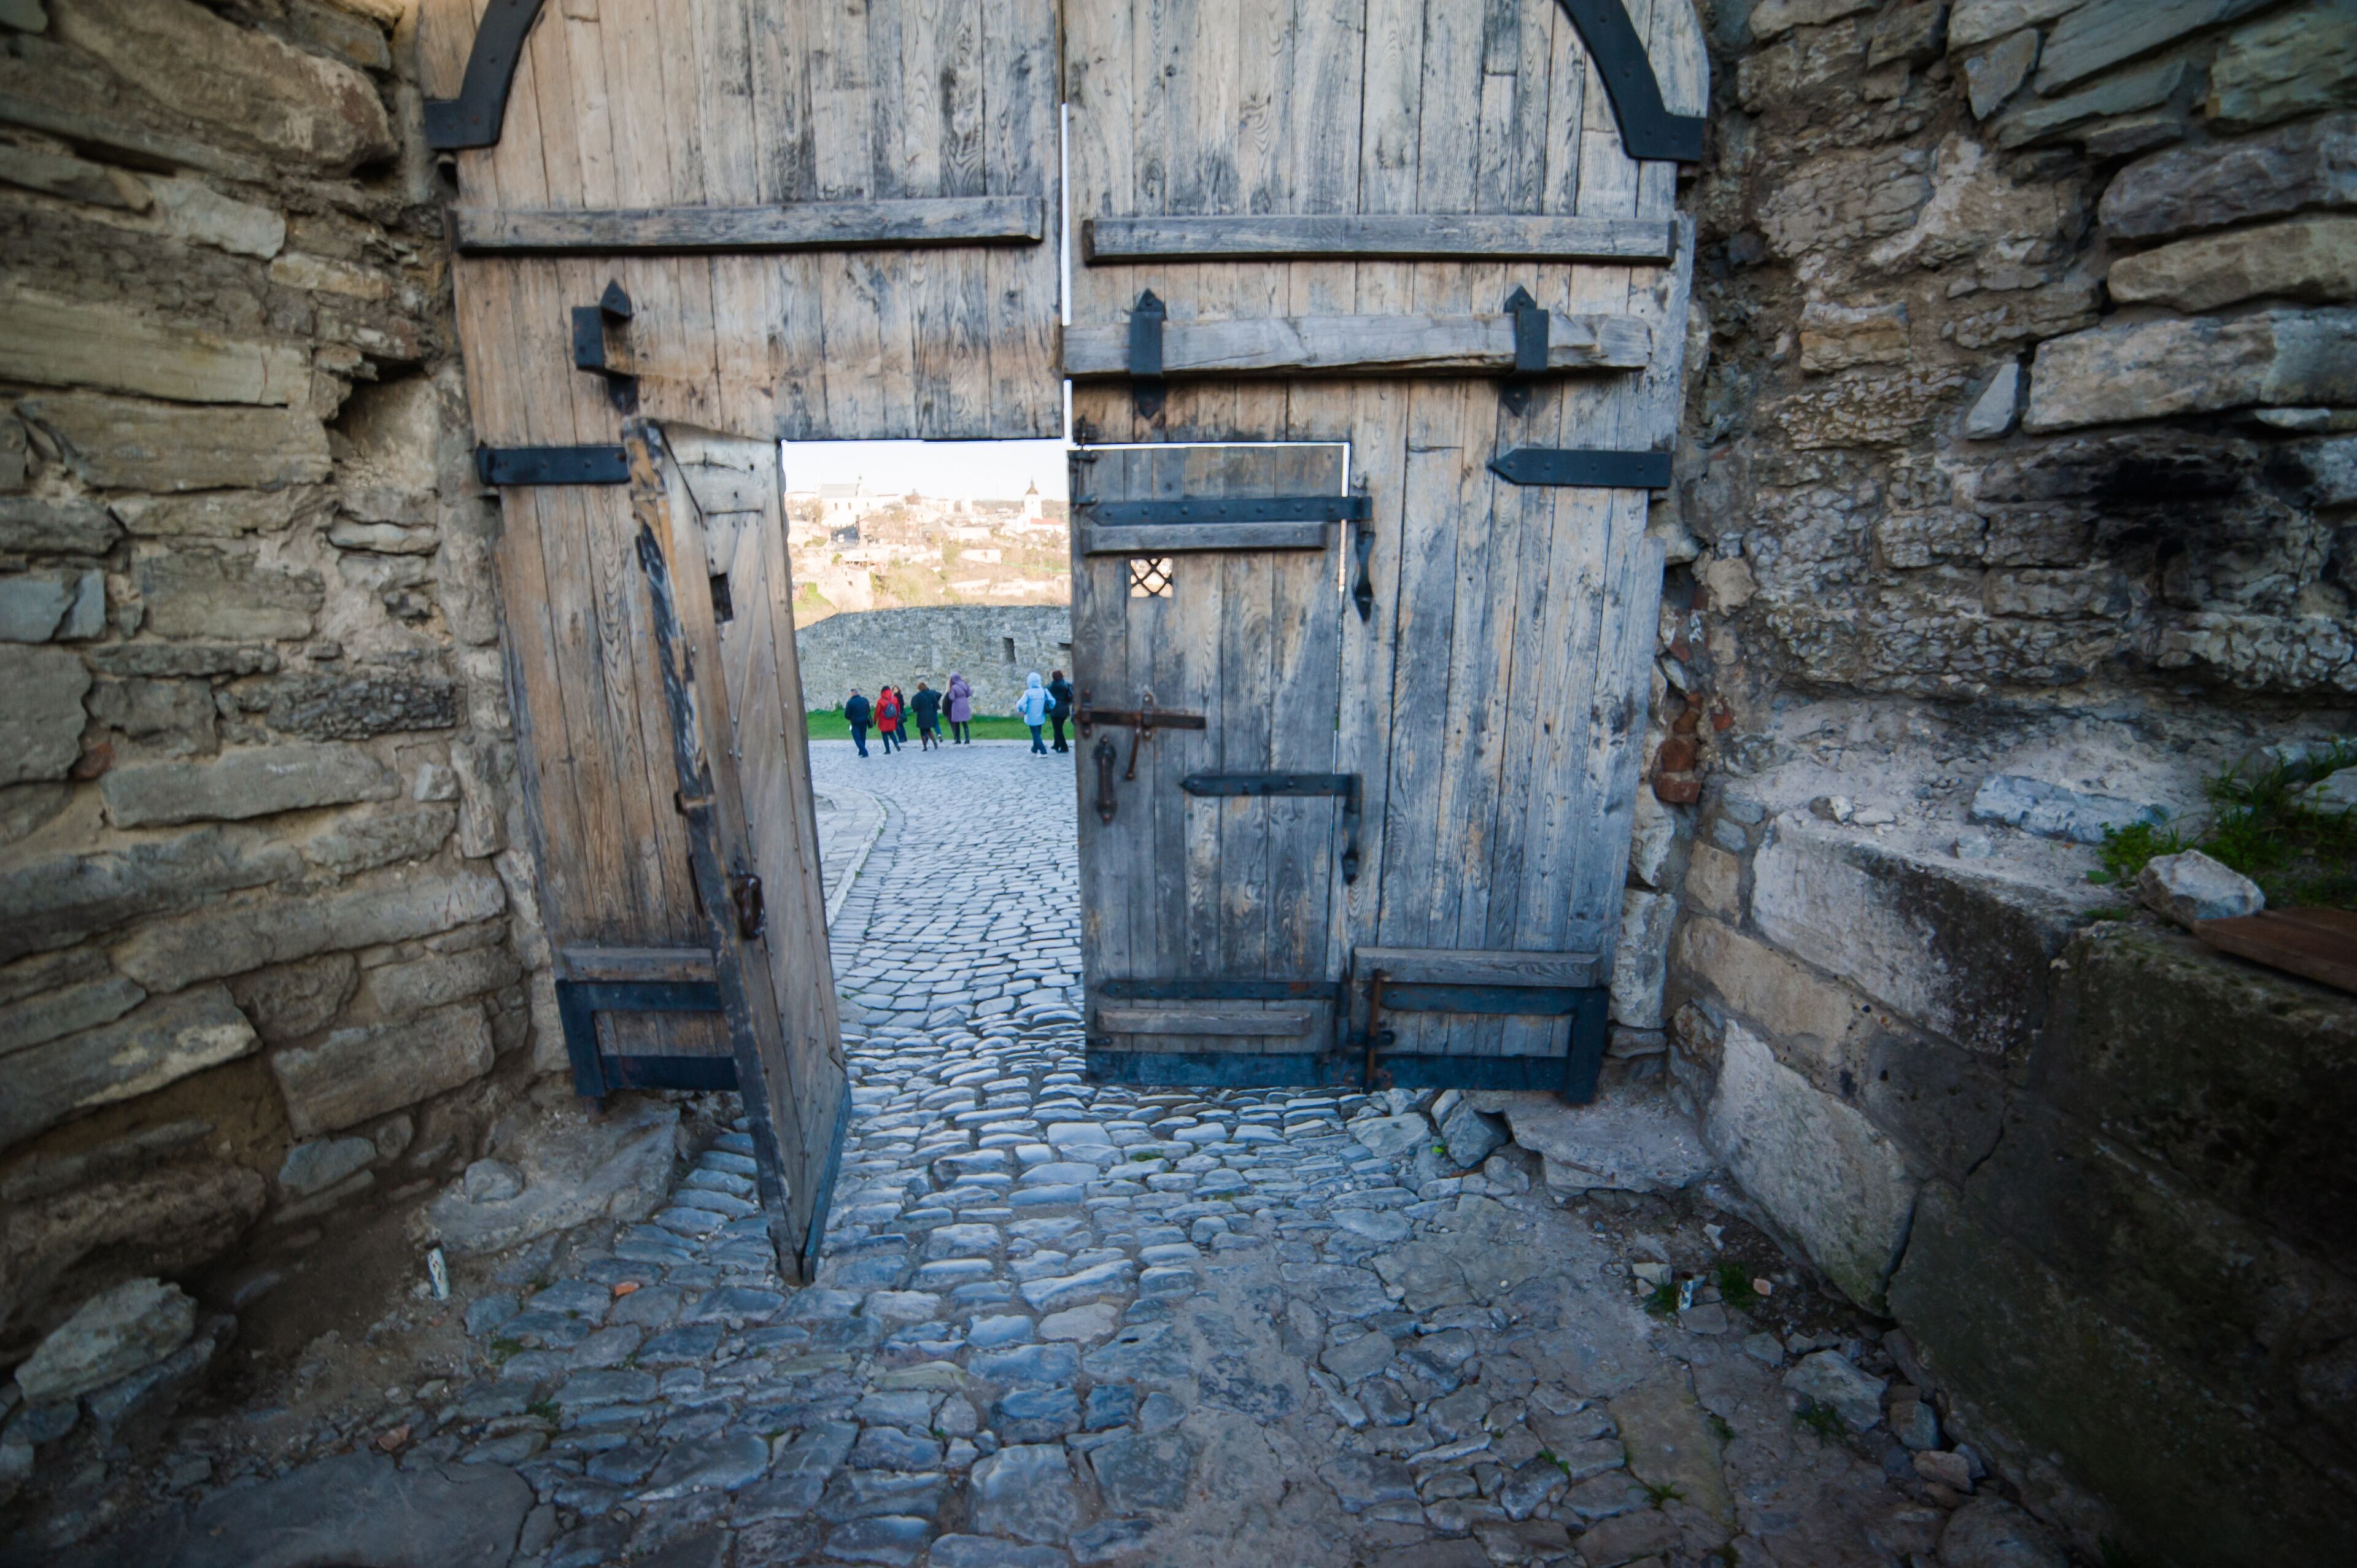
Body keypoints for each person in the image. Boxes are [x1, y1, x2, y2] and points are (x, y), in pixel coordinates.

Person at [1016, 671, 1051, 755]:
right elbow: (1052, 701)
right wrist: (1050, 708)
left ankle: (1043, 752)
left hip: (1031, 717)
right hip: (1041, 716)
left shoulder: (1028, 693)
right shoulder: (1044, 691)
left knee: (1036, 735)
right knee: (1038, 733)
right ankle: (1034, 749)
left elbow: (1020, 704)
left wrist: (1020, 710)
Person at [1046, 669, 1076, 754]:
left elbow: (1047, 689)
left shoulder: (1054, 686)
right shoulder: (1066, 685)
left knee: (1058, 730)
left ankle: (1064, 747)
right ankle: (1056, 744)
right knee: (1058, 728)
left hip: (1056, 711)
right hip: (1065, 710)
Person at [910, 680, 942, 751]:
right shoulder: (931, 694)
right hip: (930, 714)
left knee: (922, 731)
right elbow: (935, 702)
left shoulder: (917, 696)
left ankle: (925, 747)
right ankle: (935, 742)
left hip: (921, 715)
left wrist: (915, 710)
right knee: (928, 730)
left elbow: (915, 706)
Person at [946, 671, 973, 744]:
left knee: (957, 724)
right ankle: (967, 739)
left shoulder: (954, 687)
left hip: (957, 706)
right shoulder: (964, 684)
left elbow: (952, 698)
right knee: (965, 723)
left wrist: (949, 692)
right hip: (964, 704)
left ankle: (958, 739)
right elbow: (969, 693)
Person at [844, 689, 872, 757]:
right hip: (864, 721)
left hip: (855, 723)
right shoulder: (864, 700)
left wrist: (851, 718)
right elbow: (868, 710)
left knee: (857, 738)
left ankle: (864, 752)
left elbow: (847, 715)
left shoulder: (850, 703)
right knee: (863, 737)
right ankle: (861, 752)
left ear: (852, 694)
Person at [876, 684, 903, 754]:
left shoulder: (881, 701)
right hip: (892, 719)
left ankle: (888, 750)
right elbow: (897, 709)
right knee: (891, 733)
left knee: (884, 735)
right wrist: (896, 717)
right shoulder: (894, 699)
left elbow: (877, 711)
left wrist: (875, 720)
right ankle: (896, 744)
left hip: (883, 720)